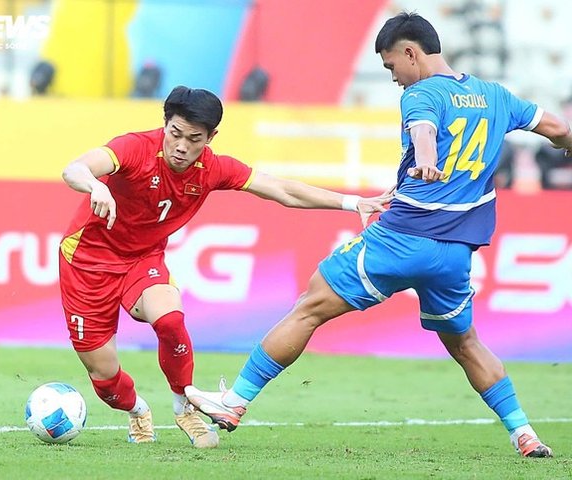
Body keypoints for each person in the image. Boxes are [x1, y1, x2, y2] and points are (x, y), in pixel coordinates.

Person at [186, 12, 572, 458]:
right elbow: (558, 130)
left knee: (310, 306)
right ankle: (524, 433)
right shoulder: (495, 95)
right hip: (454, 255)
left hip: (402, 238)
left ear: (411, 53)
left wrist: (426, 159)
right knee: (466, 344)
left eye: (392, 66)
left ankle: (234, 402)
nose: (393, 78)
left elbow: (423, 128)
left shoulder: (422, 93)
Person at [59, 85, 393, 449]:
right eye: (175, 134)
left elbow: (282, 190)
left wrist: (352, 203)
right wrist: (96, 186)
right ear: (165, 124)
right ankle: (137, 410)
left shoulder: (213, 168)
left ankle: (184, 406)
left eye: (194, 139)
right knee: (104, 376)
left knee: (170, 319)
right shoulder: (134, 148)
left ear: (210, 137)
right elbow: (74, 168)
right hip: (86, 264)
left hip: (143, 260)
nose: (181, 146)